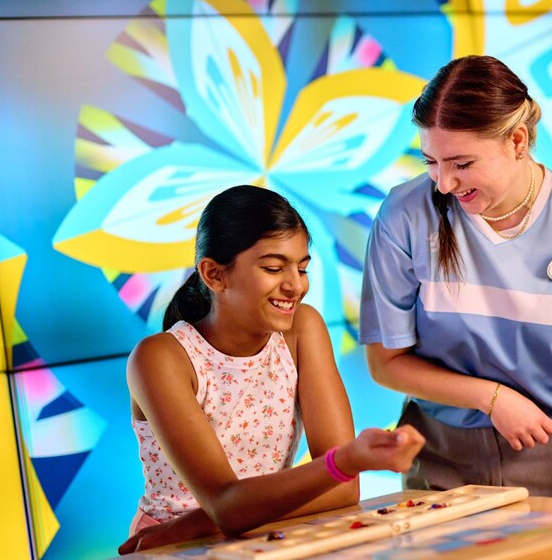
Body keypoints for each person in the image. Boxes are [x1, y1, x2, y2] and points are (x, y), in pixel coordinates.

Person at [359, 55, 552, 500]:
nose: (444, 184)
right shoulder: (403, 215)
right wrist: (492, 398)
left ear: (517, 140)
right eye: (431, 162)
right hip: (440, 458)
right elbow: (386, 363)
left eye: (462, 163)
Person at [120, 185, 424, 554]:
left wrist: (200, 522)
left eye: (302, 267)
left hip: (254, 536)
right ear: (214, 274)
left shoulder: (303, 329)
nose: (295, 285)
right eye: (273, 268)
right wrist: (340, 464)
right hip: (170, 548)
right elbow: (228, 504)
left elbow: (344, 489)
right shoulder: (160, 358)